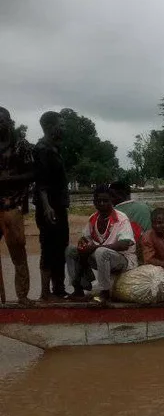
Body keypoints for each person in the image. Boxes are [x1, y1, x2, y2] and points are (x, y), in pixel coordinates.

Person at [66, 185, 137, 300]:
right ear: (94, 202)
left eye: (105, 201)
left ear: (112, 201)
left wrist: (95, 247)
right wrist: (82, 244)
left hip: (123, 260)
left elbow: (124, 245)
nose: (102, 204)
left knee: (100, 251)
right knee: (71, 251)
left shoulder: (121, 218)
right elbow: (85, 238)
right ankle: (79, 288)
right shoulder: (93, 218)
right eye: (99, 201)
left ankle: (105, 292)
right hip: (103, 257)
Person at [33, 110, 70, 300]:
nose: (64, 128)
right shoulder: (42, 150)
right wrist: (47, 207)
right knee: (48, 247)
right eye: (61, 125)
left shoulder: (55, 149)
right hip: (49, 208)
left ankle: (59, 289)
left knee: (61, 247)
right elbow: (41, 183)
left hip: (59, 206)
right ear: (49, 127)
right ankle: (45, 293)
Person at [0, 106, 35, 305]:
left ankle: (22, 296)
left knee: (18, 251)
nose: (0, 124)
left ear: (10, 121)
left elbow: (32, 173)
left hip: (11, 204)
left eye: (3, 120)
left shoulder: (21, 146)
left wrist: (9, 179)